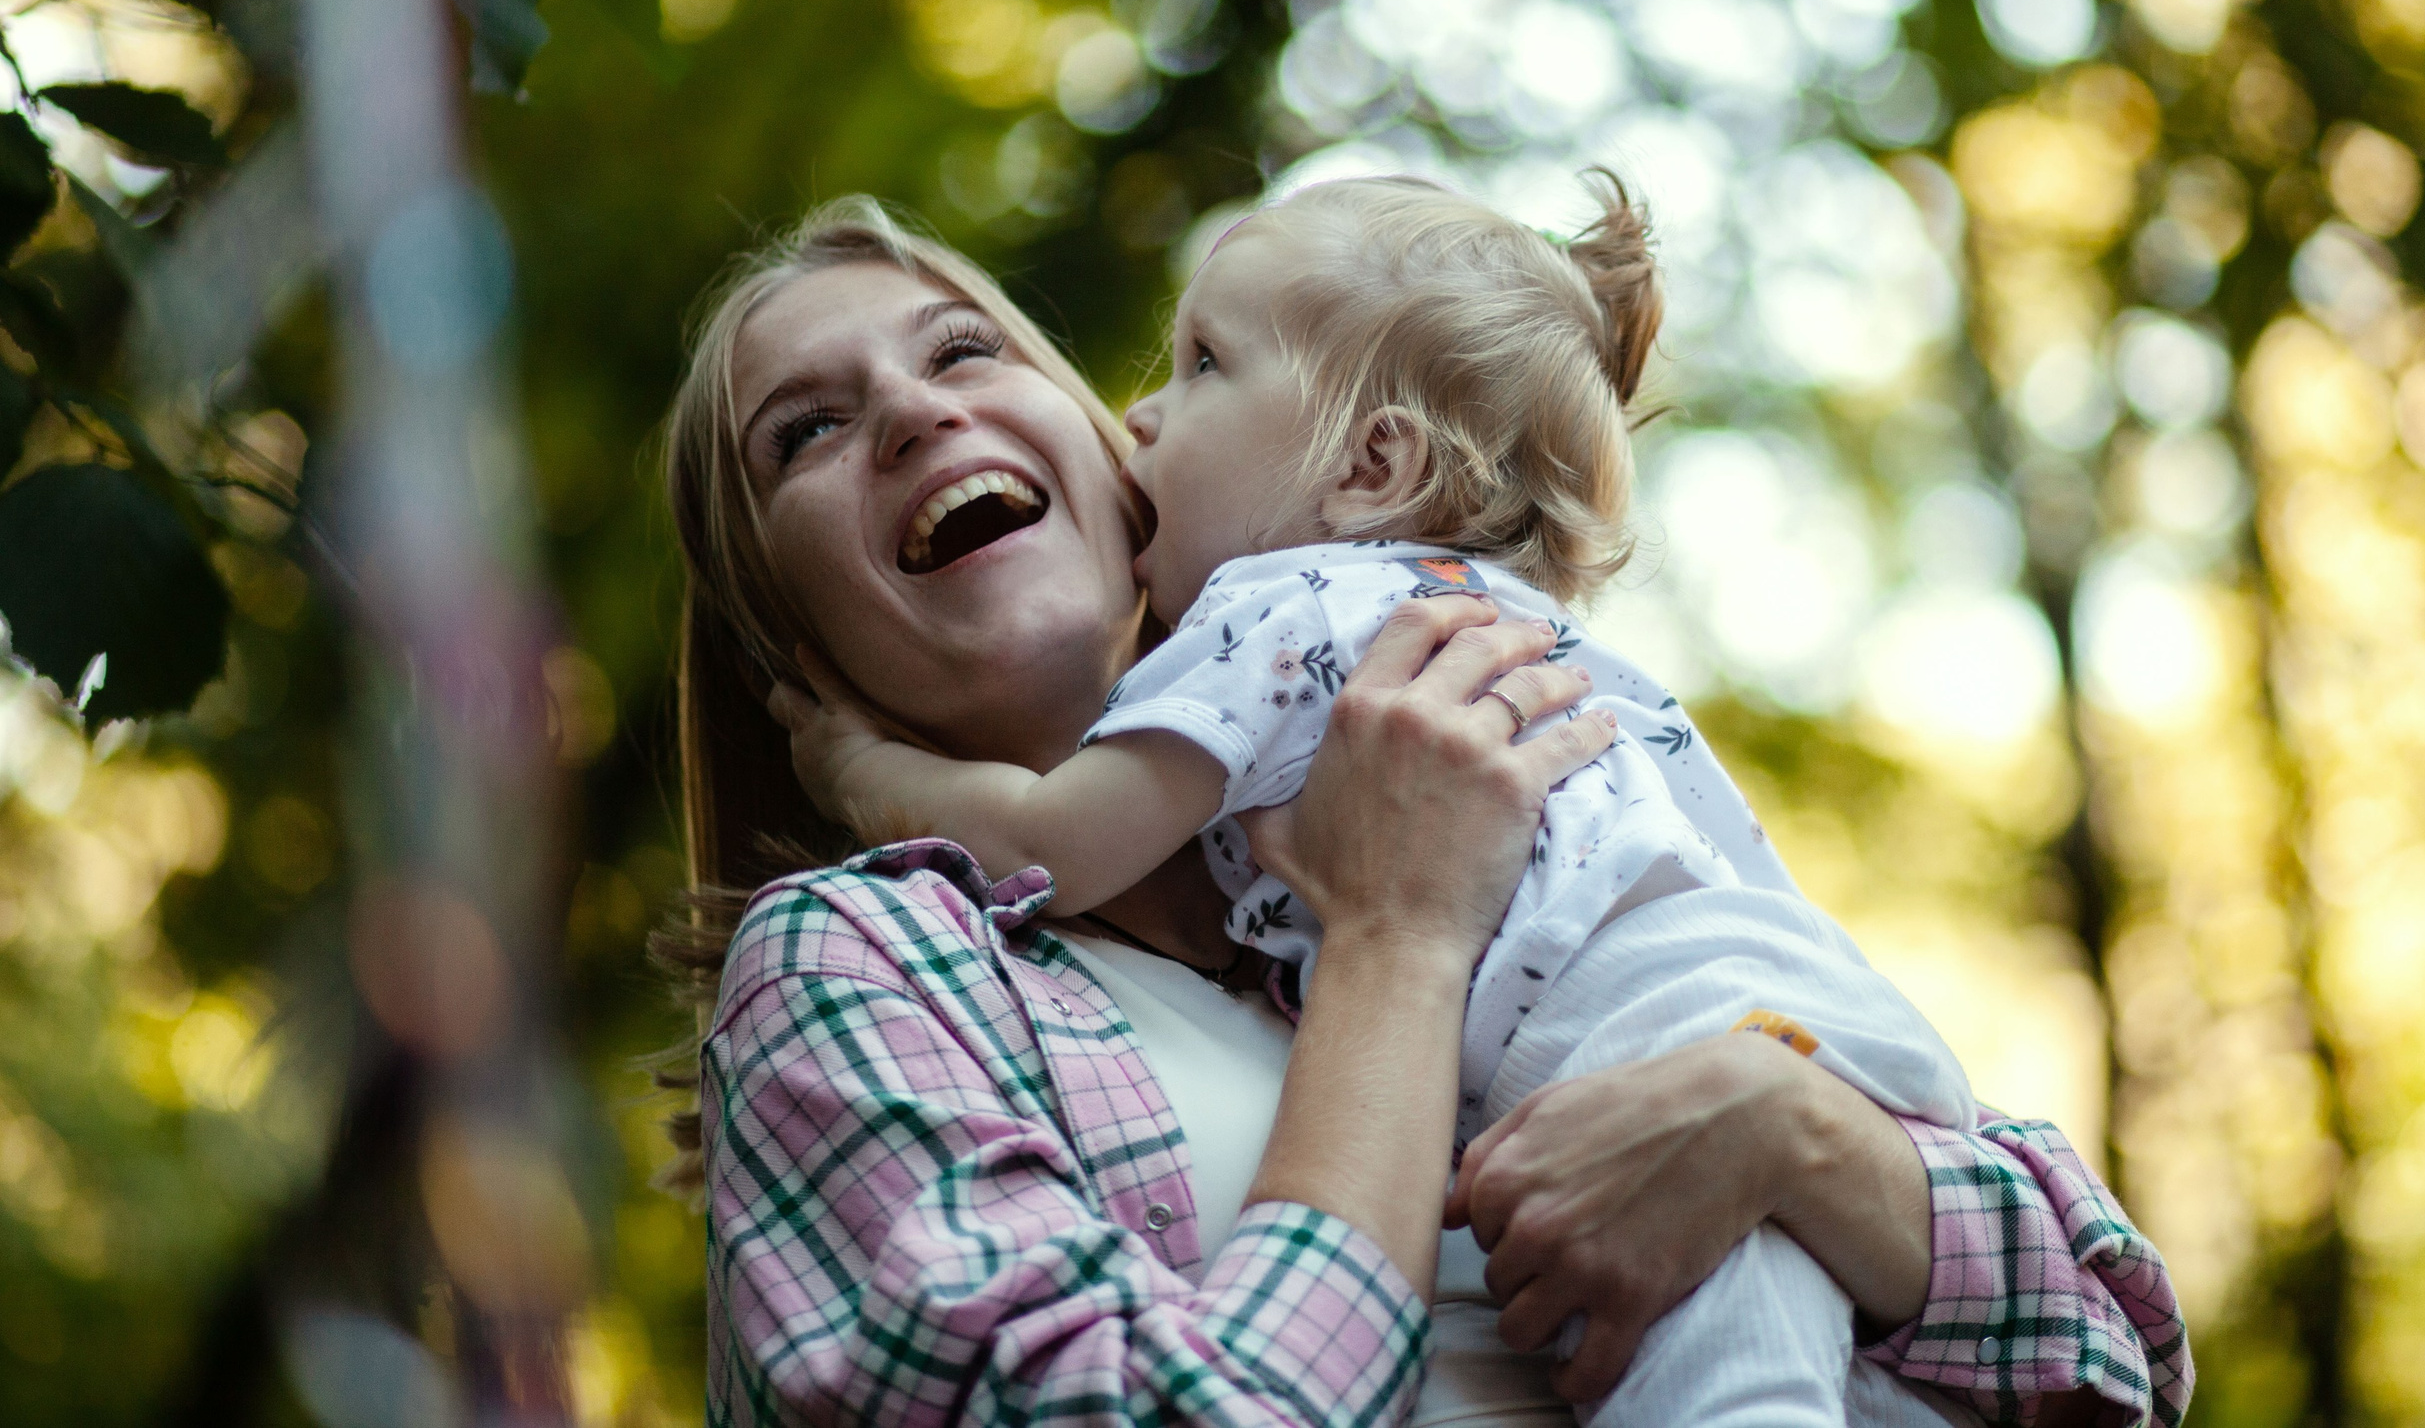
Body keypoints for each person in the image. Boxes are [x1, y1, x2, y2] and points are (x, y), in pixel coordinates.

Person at [659, 196, 2193, 1428]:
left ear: (1120, 470)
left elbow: (2114, 1350)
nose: (917, 416)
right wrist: (1399, 936)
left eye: (966, 354)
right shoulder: (854, 967)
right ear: (782, 639)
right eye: (804, 431)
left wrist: (1783, 1127)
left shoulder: (1403, 769)